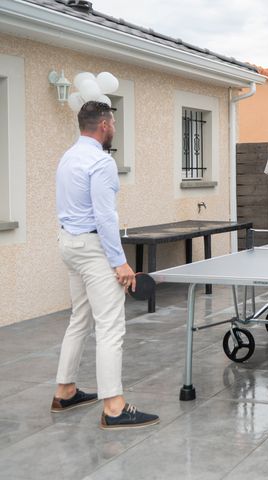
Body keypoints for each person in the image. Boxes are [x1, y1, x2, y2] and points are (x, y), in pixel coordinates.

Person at [53, 101, 159, 430]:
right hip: (93, 248)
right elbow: (105, 217)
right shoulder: (101, 162)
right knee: (111, 327)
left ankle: (65, 391)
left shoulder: (68, 157)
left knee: (80, 320)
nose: (114, 128)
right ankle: (114, 407)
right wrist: (120, 263)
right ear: (103, 125)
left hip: (68, 243)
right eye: (112, 123)